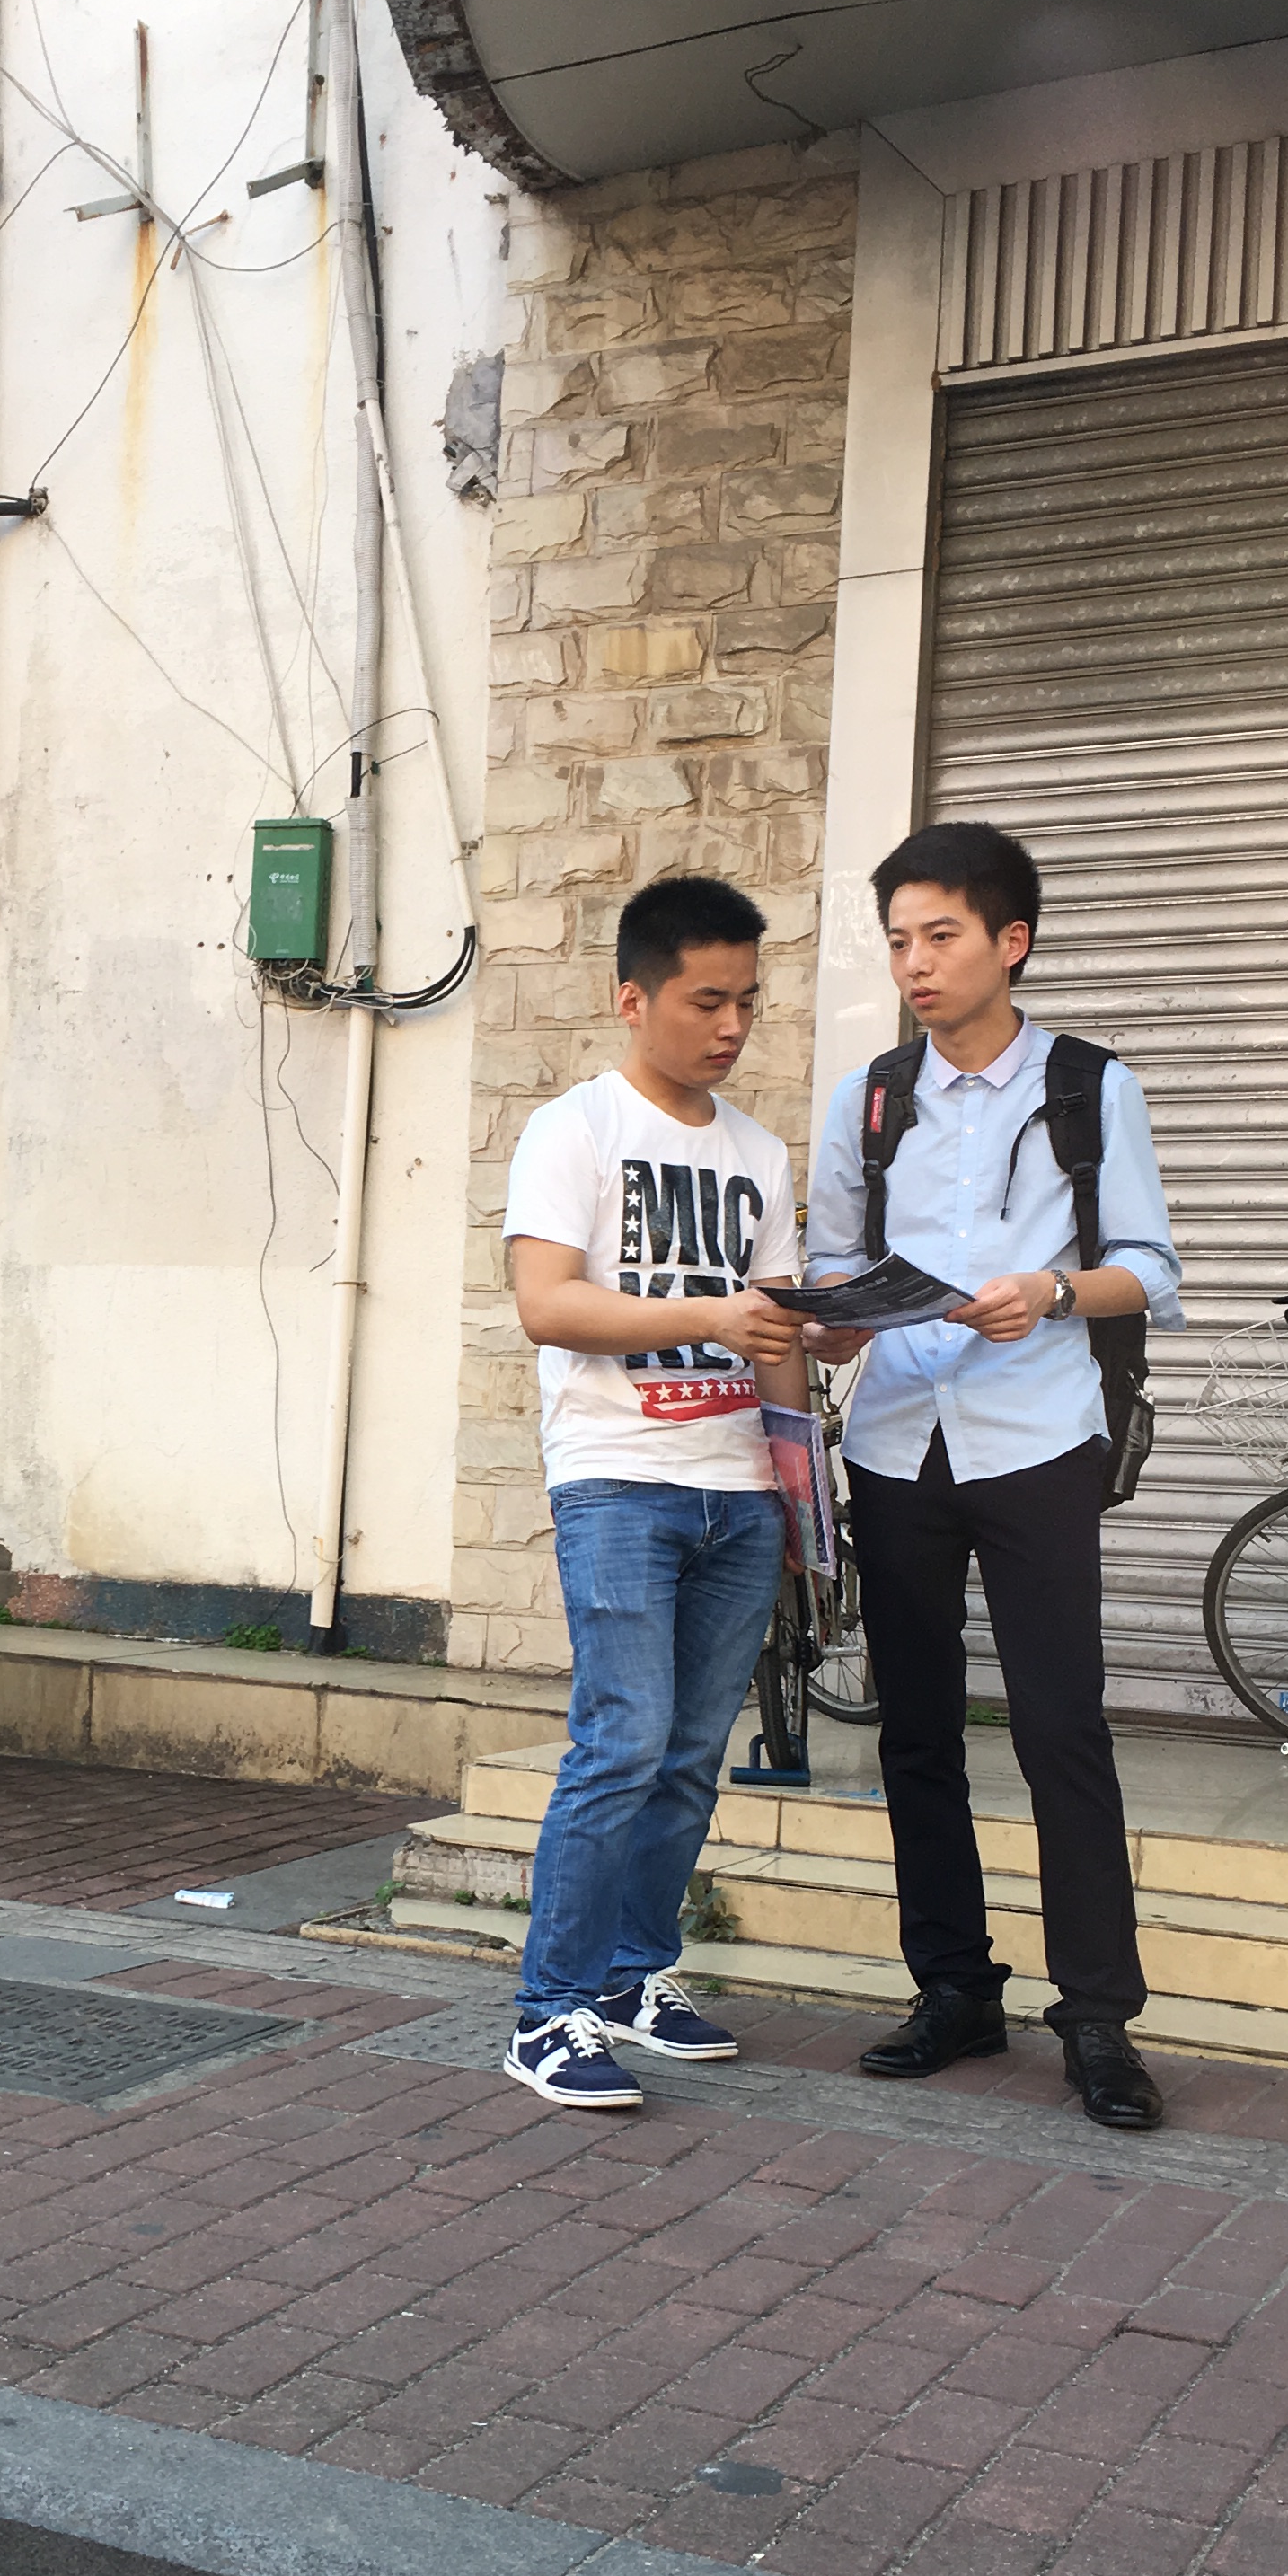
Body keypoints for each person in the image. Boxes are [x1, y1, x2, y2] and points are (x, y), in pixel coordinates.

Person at [801, 821, 1182, 2132]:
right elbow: (836, 1267)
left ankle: (1099, 2019)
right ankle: (955, 1989)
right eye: (898, 940)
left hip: (1036, 1441)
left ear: (1010, 942)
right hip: (897, 1441)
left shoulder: (1089, 1086)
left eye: (941, 936)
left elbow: (1152, 1271)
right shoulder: (867, 1099)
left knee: (1061, 1727)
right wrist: (830, 1318)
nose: (915, 962)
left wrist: (1054, 1292)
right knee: (914, 1730)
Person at [499, 872, 809, 2110]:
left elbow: (772, 1334)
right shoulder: (571, 1131)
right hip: (619, 1481)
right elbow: (547, 1304)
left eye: (748, 1002)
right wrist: (715, 1316)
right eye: (706, 1001)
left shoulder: (760, 1154)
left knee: (688, 1757)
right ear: (633, 999)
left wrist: (804, 1491)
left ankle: (634, 1977)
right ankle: (547, 2013)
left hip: (741, 1488)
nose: (732, 1026)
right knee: (621, 1742)